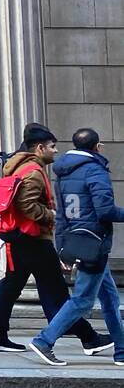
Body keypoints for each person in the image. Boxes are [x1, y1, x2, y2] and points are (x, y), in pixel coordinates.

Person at [0, 125, 112, 356]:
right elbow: (27, 205)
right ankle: (86, 338)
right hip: (34, 238)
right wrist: (53, 215)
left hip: (22, 237)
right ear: (40, 147)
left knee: (12, 286)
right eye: (52, 147)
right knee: (57, 290)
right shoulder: (33, 170)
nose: (55, 151)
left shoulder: (18, 167)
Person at [28, 129, 124, 366]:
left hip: (77, 240)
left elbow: (61, 215)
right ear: (97, 147)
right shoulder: (95, 171)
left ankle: (121, 350)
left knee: (110, 299)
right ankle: (44, 340)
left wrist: (61, 247)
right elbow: (105, 211)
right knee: (82, 300)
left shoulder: (63, 172)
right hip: (95, 243)